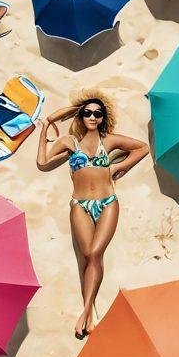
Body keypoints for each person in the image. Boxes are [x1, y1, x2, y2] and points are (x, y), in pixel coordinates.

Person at [35, 89, 149, 339]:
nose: (93, 117)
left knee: (96, 253)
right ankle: (90, 314)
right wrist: (45, 129)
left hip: (108, 202)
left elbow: (142, 148)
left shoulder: (109, 141)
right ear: (81, 116)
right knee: (88, 254)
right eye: (87, 112)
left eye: (98, 113)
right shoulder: (69, 142)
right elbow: (43, 162)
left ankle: (85, 313)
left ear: (103, 117)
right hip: (80, 205)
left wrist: (120, 165)